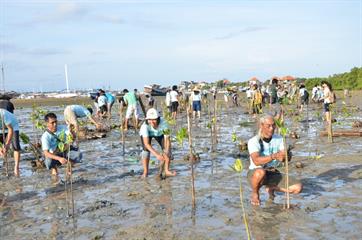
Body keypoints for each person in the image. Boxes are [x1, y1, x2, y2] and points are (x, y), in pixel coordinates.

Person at [247, 114, 302, 206]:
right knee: (260, 172)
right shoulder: (254, 141)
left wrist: (286, 156)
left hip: (273, 172)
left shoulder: (280, 139)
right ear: (261, 126)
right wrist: (274, 156)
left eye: (273, 125)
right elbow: (256, 161)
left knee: (298, 188)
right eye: (268, 126)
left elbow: (285, 158)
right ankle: (255, 193)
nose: (271, 128)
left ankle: (271, 188)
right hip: (256, 172)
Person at [139, 108, 176, 178]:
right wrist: (157, 155)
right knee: (145, 152)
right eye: (150, 119)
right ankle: (145, 172)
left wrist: (167, 151)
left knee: (167, 150)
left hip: (160, 134)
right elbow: (146, 144)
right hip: (148, 135)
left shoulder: (164, 123)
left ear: (158, 119)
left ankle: (167, 170)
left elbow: (167, 139)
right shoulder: (144, 127)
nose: (152, 122)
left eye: (154, 119)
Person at [0, 109, 21, 176]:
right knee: (1, 150)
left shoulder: (3, 114)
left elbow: (10, 129)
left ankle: (16, 167)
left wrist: (6, 144)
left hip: (13, 126)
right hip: (1, 128)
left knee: (16, 146)